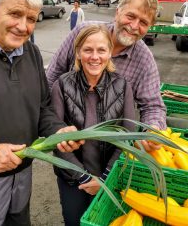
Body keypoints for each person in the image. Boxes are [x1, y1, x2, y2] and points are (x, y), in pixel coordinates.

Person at [0, 0, 83, 226]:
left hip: (22, 175)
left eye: (31, 18)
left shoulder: (31, 53)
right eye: (15, 14)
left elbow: (42, 108)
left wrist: (57, 131)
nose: (23, 26)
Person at [47, 0, 167, 150]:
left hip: (112, 153)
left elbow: (153, 105)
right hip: (70, 148)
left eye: (143, 23)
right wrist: (52, 127)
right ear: (117, 12)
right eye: (130, 16)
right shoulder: (83, 33)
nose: (134, 26)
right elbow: (51, 79)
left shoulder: (144, 59)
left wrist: (153, 129)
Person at [51, 24, 135, 226]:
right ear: (78, 52)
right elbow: (56, 137)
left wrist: (105, 178)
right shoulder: (62, 85)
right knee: (75, 222)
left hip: (110, 177)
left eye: (101, 50)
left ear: (109, 53)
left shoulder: (122, 86)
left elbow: (129, 135)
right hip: (73, 180)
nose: (94, 56)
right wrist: (83, 178)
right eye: (88, 50)